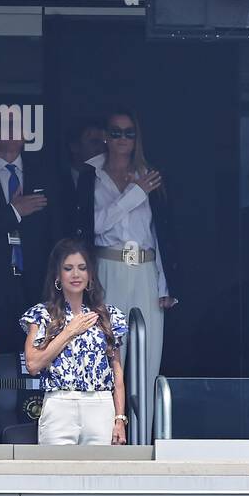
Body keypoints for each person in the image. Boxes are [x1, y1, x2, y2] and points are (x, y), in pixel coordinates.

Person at [75, 107, 179, 441]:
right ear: (105, 135)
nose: (122, 139)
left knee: (148, 359)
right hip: (108, 266)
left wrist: (165, 282)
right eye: (115, 132)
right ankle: (106, 436)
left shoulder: (149, 174)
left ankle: (145, 438)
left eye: (128, 133)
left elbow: (159, 232)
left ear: (137, 138)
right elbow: (93, 226)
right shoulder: (90, 174)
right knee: (108, 353)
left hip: (145, 268)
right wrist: (135, 195)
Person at [0, 119, 63, 352]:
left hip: (39, 280)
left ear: (26, 135)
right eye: (2, 125)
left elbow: (58, 230)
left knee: (39, 352)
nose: (10, 131)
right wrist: (13, 212)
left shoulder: (46, 174)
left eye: (16, 125)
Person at [20, 239, 127, 446]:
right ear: (58, 276)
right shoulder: (43, 314)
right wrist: (69, 332)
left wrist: (119, 419)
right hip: (60, 403)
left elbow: (117, 373)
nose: (76, 274)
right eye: (68, 268)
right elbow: (32, 364)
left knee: (100, 475)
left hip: (100, 403)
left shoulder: (108, 315)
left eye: (82, 268)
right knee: (57, 474)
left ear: (90, 274)